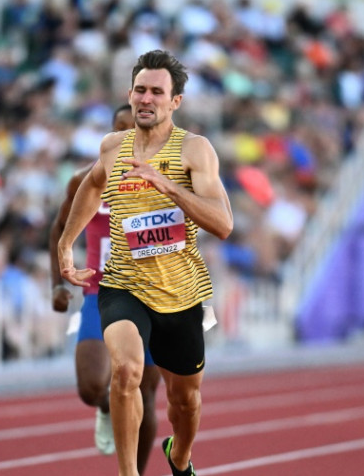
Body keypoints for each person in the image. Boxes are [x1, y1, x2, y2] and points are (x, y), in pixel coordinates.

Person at [58, 50, 233, 476]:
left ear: (175, 101)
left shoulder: (195, 150)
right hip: (123, 283)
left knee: (185, 401)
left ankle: (180, 456)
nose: (146, 98)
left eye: (157, 91)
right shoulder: (112, 147)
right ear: (129, 94)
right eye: (140, 89)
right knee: (126, 372)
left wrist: (168, 186)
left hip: (181, 293)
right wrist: (67, 245)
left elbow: (223, 224)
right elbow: (90, 186)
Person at [48, 105, 160, 472]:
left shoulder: (166, 178)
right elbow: (59, 229)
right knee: (91, 387)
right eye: (119, 130)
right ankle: (108, 405)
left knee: (145, 393)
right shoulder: (85, 180)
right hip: (101, 295)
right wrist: (57, 283)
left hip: (154, 299)